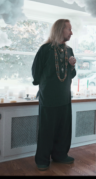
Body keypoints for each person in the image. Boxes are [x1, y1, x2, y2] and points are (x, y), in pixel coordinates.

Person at [32, 19, 77, 171]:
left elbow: (72, 75)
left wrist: (72, 66)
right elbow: (36, 72)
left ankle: (60, 155)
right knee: (46, 130)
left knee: (63, 129)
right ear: (60, 30)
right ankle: (42, 159)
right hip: (49, 97)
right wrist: (44, 86)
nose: (71, 32)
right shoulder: (45, 49)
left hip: (64, 97)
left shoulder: (69, 50)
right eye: (69, 29)